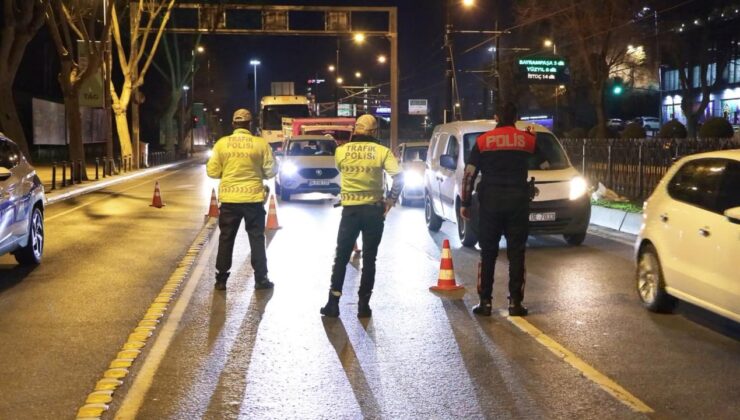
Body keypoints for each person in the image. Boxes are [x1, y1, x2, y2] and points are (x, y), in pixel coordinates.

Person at [320, 114, 403, 318]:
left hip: (350, 211)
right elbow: (399, 178)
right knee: (370, 258)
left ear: (355, 130)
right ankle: (363, 305)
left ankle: (333, 303)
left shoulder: (341, 151)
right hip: (374, 211)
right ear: (374, 132)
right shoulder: (382, 151)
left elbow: (341, 168)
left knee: (341, 257)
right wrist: (391, 200)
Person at [460, 102, 536, 317]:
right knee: (517, 253)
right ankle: (515, 304)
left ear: (495, 117)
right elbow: (541, 157)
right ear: (515, 117)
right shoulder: (526, 140)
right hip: (518, 203)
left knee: (488, 253)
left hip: (490, 204)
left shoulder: (483, 141)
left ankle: (485, 303)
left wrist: (465, 204)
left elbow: (468, 176)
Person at [206, 108, 276, 291]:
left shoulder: (222, 144)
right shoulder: (260, 144)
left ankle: (221, 279)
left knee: (226, 238)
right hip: (253, 199)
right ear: (250, 124)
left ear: (233, 124)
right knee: (256, 239)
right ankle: (261, 279)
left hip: (230, 200)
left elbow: (212, 171)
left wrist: (227, 172)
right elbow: (271, 171)